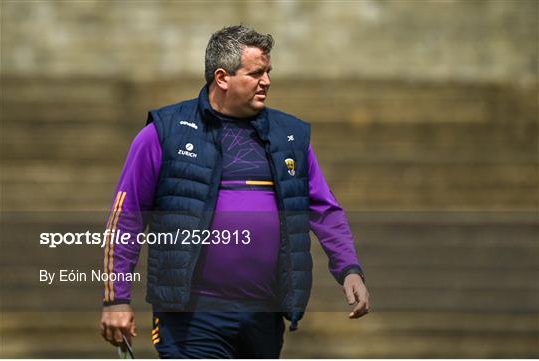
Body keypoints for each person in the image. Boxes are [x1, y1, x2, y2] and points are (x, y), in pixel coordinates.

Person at [100, 25, 369, 358]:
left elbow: (324, 209)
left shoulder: (290, 136)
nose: (267, 81)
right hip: (191, 318)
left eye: (268, 72)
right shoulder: (164, 132)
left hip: (263, 315)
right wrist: (116, 298)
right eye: (256, 73)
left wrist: (349, 269)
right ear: (223, 77)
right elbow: (126, 218)